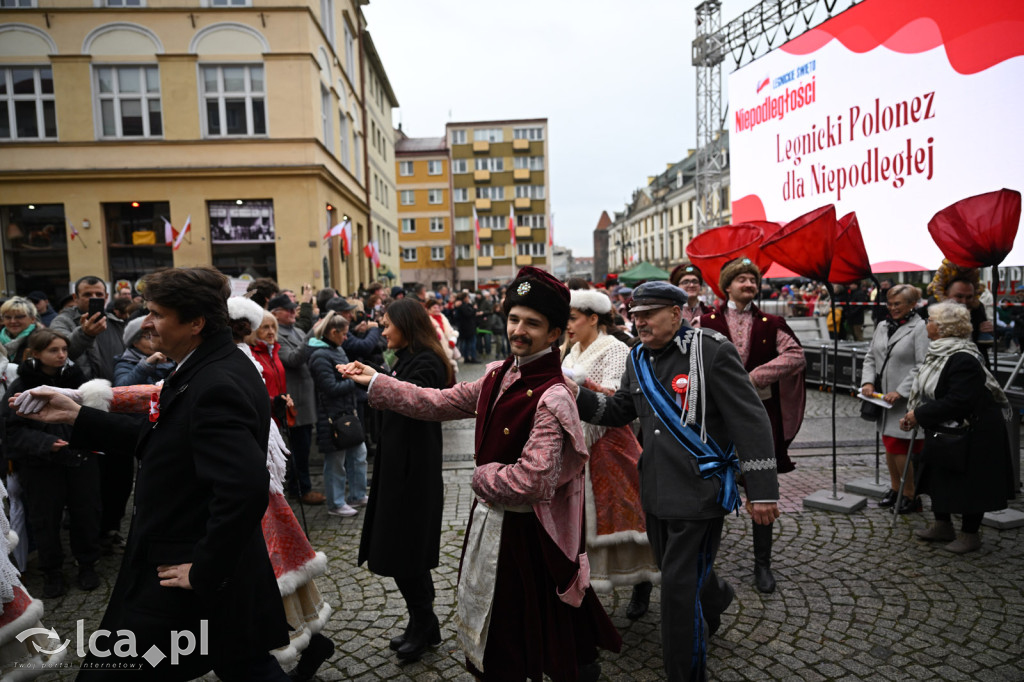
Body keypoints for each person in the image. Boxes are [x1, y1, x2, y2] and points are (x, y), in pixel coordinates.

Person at [10, 266, 290, 680]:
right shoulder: (204, 364)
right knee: (244, 662)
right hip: (189, 557)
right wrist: (76, 415)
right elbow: (166, 438)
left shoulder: (215, 381)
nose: (148, 323)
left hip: (181, 564)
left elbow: (245, 488)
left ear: (195, 322)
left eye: (157, 313)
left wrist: (205, 568)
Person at [342, 267, 621, 681]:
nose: (518, 330)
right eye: (514, 319)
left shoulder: (554, 394)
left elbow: (534, 481)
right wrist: (377, 380)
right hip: (493, 526)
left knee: (514, 632)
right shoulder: (496, 374)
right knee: (511, 628)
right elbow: (437, 402)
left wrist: (480, 478)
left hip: (528, 537)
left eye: (532, 323)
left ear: (554, 333)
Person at [576, 280, 779, 682]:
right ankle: (717, 596)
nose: (640, 322)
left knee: (677, 593)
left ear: (677, 312)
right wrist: (574, 393)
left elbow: (750, 420)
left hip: (698, 492)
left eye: (649, 314)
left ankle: (684, 673)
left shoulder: (711, 350)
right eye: (635, 316)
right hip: (653, 490)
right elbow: (620, 410)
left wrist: (762, 492)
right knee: (681, 573)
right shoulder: (637, 359)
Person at [700, 258, 804, 594]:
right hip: (715, 421)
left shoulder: (771, 321)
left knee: (762, 487)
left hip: (760, 419)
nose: (748, 284)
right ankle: (705, 563)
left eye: (752, 279)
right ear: (726, 286)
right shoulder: (705, 322)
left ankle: (763, 565)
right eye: (741, 279)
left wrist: (753, 378)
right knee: (709, 487)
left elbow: (795, 356)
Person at [357, 299, 452, 662]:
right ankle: (423, 624)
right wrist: (372, 374)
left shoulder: (426, 361)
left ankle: (424, 623)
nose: (382, 331)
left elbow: (413, 400)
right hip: (399, 467)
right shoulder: (411, 358)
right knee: (404, 552)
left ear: (406, 325)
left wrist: (376, 379)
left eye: (386, 324)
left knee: (407, 552)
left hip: (414, 473)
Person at [561, 289, 658, 620]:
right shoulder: (571, 350)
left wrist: (581, 384)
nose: (567, 325)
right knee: (586, 522)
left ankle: (642, 584)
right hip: (580, 448)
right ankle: (587, 586)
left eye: (572, 318)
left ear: (592, 318)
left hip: (612, 445)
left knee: (630, 516)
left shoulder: (616, 349)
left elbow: (620, 401)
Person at [900, 301, 1016, 554]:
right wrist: (917, 414)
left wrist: (919, 414)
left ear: (942, 328)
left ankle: (970, 534)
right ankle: (943, 526)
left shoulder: (963, 357)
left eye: (930, 320)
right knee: (939, 476)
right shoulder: (940, 351)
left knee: (969, 483)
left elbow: (959, 400)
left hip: (973, 431)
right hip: (946, 428)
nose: (926, 324)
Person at [1, 329, 101, 598]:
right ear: (36, 354)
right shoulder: (22, 385)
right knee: (45, 519)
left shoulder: (77, 379)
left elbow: (93, 416)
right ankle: (52, 571)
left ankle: (87, 563)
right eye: (53, 350)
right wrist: (45, 444)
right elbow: (12, 430)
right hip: (41, 465)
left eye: (64, 350)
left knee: (86, 513)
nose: (61, 355)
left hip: (80, 458)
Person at [860, 284, 929, 514]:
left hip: (905, 400)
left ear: (912, 304)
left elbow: (922, 365)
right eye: (889, 304)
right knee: (890, 445)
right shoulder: (882, 325)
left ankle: (910, 495)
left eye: (897, 304)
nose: (892, 308)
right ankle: (895, 488)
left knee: (902, 447)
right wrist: (867, 382)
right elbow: (870, 357)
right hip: (883, 399)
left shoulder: (920, 328)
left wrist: (901, 391)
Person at [307, 311, 367, 517]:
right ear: (332, 332)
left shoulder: (337, 350)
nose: (346, 338)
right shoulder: (319, 355)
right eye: (343, 333)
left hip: (347, 412)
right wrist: (355, 380)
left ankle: (357, 495)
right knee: (335, 462)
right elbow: (330, 388)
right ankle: (336, 503)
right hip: (331, 416)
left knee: (358, 455)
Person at [269, 294, 325, 504]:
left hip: (305, 394)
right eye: (288, 309)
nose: (293, 312)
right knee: (299, 447)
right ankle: (301, 488)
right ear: (275, 314)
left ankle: (299, 485)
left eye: (294, 309)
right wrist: (312, 334)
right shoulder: (276, 335)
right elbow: (293, 359)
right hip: (295, 398)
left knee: (302, 444)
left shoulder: (297, 330)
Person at [249, 310, 292, 428]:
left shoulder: (274, 351)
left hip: (279, 416)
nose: (271, 332)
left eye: (273, 327)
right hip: (263, 417)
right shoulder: (251, 355)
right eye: (266, 327)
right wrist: (274, 401)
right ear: (255, 330)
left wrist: (284, 398)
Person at [113, 316, 175, 387]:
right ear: (135, 342)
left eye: (157, 335)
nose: (155, 341)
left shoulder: (170, 357)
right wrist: (146, 365)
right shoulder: (126, 363)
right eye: (148, 337)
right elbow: (121, 388)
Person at [670, 263, 712, 327]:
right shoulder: (670, 312)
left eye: (695, 281)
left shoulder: (709, 313)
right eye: (685, 282)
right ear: (677, 287)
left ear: (700, 286)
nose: (691, 285)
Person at [425, 296, 459, 376]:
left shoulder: (443, 317)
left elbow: (451, 331)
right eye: (434, 307)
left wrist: (453, 339)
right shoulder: (427, 320)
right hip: (437, 351)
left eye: (438, 307)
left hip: (448, 349)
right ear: (429, 309)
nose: (437, 309)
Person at [1, 296, 39, 364]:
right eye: (8, 317)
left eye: (19, 317)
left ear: (32, 319)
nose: (13, 321)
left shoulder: (41, 340)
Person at [453, 292, 479, 363]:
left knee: (467, 343)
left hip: (466, 327)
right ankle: (472, 358)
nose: (469, 299)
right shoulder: (463, 306)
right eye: (468, 297)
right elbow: (468, 314)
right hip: (468, 327)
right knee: (471, 343)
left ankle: (467, 357)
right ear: (465, 298)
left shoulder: (464, 305)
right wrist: (475, 309)